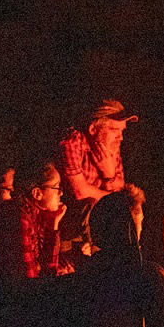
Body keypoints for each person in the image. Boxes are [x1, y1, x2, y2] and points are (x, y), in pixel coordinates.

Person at [57, 99, 137, 261]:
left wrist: (108, 174)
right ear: (93, 129)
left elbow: (120, 189)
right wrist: (111, 195)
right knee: (90, 203)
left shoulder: (111, 147)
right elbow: (79, 192)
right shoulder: (72, 141)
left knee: (133, 208)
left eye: (122, 131)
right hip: (70, 223)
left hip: (98, 221)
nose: (120, 137)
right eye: (114, 129)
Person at [19, 162, 68, 278]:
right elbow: (30, 280)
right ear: (37, 193)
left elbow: (48, 267)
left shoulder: (38, 213)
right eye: (56, 187)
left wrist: (53, 224)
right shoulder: (22, 220)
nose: (61, 193)